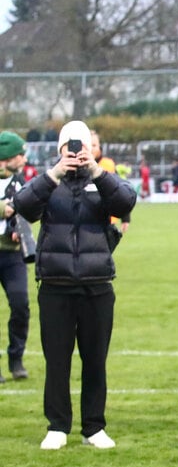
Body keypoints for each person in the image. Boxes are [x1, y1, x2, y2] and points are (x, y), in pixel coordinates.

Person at [9, 121, 137, 449]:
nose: (77, 153)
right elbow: (23, 206)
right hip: (55, 283)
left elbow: (125, 202)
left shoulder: (102, 180)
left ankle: (94, 427)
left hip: (97, 284)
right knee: (57, 359)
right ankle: (57, 426)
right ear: (59, 149)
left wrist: (96, 171)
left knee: (95, 359)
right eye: (70, 146)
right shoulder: (49, 182)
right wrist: (55, 173)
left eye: (83, 146)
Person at [0, 131, 32, 381]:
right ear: (5, 157)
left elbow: (27, 212)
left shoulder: (21, 183)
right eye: (19, 154)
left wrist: (17, 230)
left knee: (20, 305)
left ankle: (16, 358)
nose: (23, 158)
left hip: (12, 256)